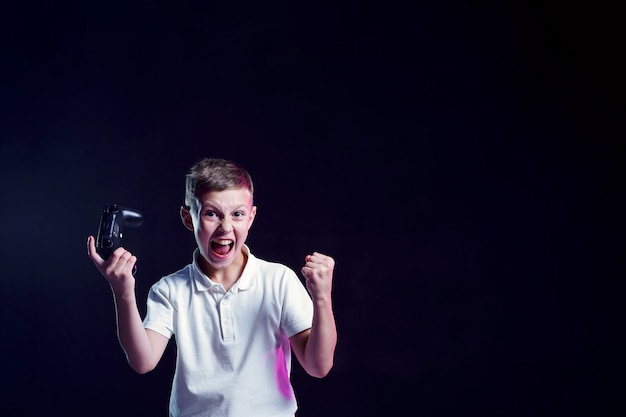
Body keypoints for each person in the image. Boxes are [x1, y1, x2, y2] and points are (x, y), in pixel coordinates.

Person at [86, 157, 337, 417]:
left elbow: (318, 366)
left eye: (237, 214)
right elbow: (142, 361)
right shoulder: (170, 290)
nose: (225, 227)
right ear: (188, 218)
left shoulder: (279, 281)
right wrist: (123, 292)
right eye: (211, 213)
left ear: (250, 218)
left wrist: (322, 299)